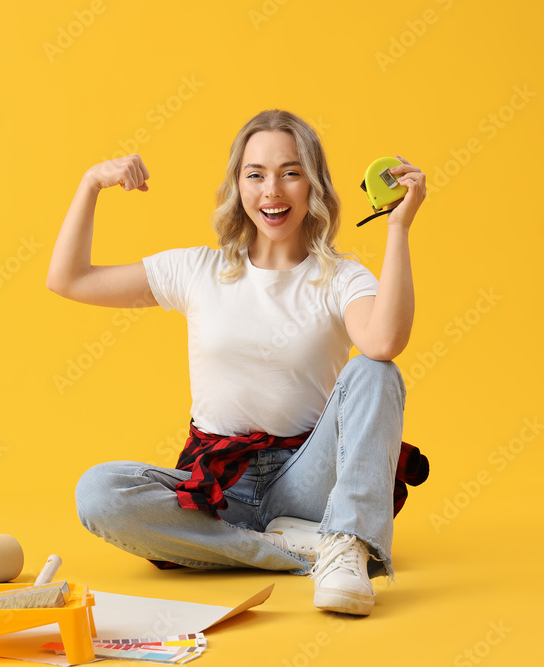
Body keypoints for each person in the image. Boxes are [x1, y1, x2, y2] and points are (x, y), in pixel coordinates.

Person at [46, 109, 426, 616]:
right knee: (99, 492)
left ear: (312, 185)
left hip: (306, 478)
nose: (272, 190)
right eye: (256, 174)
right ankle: (310, 549)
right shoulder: (198, 269)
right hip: (220, 485)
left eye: (291, 172)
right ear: (238, 185)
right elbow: (68, 279)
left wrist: (398, 228)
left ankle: (338, 538)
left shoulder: (339, 276)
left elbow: (383, 342)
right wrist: (91, 182)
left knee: (376, 371)